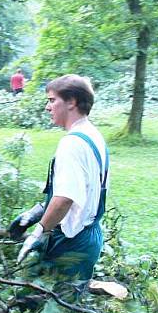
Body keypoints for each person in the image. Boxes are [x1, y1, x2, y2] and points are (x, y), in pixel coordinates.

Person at [11, 74, 109, 299]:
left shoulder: (72, 144)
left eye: (52, 100)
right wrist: (35, 213)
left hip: (72, 242)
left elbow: (65, 198)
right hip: (89, 237)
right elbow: (85, 188)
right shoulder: (93, 135)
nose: (47, 107)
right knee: (64, 310)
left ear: (72, 102)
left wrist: (38, 232)